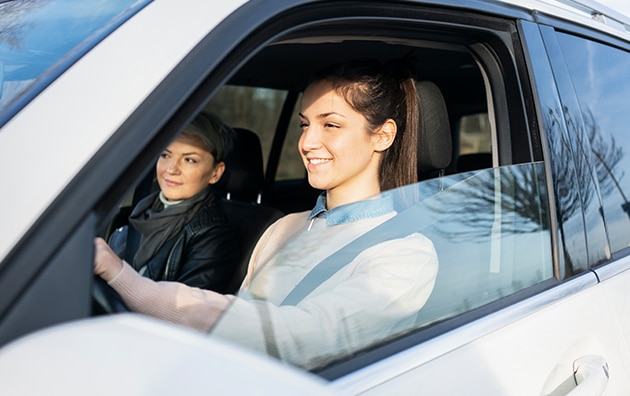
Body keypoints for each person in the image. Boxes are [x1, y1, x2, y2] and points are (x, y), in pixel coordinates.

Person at [94, 60, 438, 369]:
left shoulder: (406, 254)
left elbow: (296, 338)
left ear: (383, 135)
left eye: (330, 125)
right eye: (305, 125)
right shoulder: (284, 227)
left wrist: (126, 281)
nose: (306, 142)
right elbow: (239, 326)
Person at [106, 112, 240, 292]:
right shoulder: (141, 212)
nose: (171, 169)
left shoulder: (213, 237)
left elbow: (181, 311)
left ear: (215, 173)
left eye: (189, 160)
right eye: (165, 155)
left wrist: (114, 272)